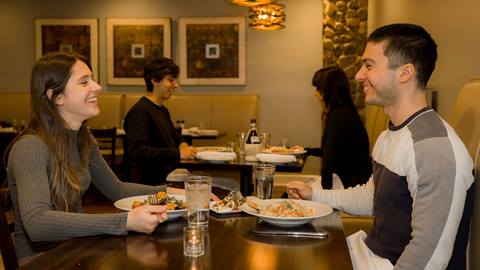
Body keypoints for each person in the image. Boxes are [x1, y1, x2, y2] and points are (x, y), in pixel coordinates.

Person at [287, 23, 474, 269]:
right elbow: (371, 197)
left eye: (369, 65)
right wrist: (315, 195)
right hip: (369, 255)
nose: (358, 75)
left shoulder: (433, 149)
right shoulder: (391, 133)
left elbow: (428, 259)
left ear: (405, 73)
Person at [5, 52, 181, 263]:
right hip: (43, 261)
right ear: (56, 96)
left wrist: (175, 193)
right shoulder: (30, 147)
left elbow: (117, 189)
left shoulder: (83, 138)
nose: (97, 86)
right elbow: (37, 223)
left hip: (78, 249)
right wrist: (124, 221)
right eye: (84, 82)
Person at [124, 58, 196, 185]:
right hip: (153, 183)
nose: (176, 85)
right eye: (170, 80)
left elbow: (175, 136)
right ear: (154, 81)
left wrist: (182, 144)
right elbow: (137, 152)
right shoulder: (140, 112)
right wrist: (178, 153)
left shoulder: (162, 110)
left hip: (169, 175)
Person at [306, 66, 372, 189]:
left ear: (328, 90)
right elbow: (331, 151)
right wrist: (304, 151)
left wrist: (325, 196)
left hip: (351, 184)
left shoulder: (339, 115)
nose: (316, 94)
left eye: (318, 88)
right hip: (349, 180)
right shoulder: (344, 111)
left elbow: (328, 161)